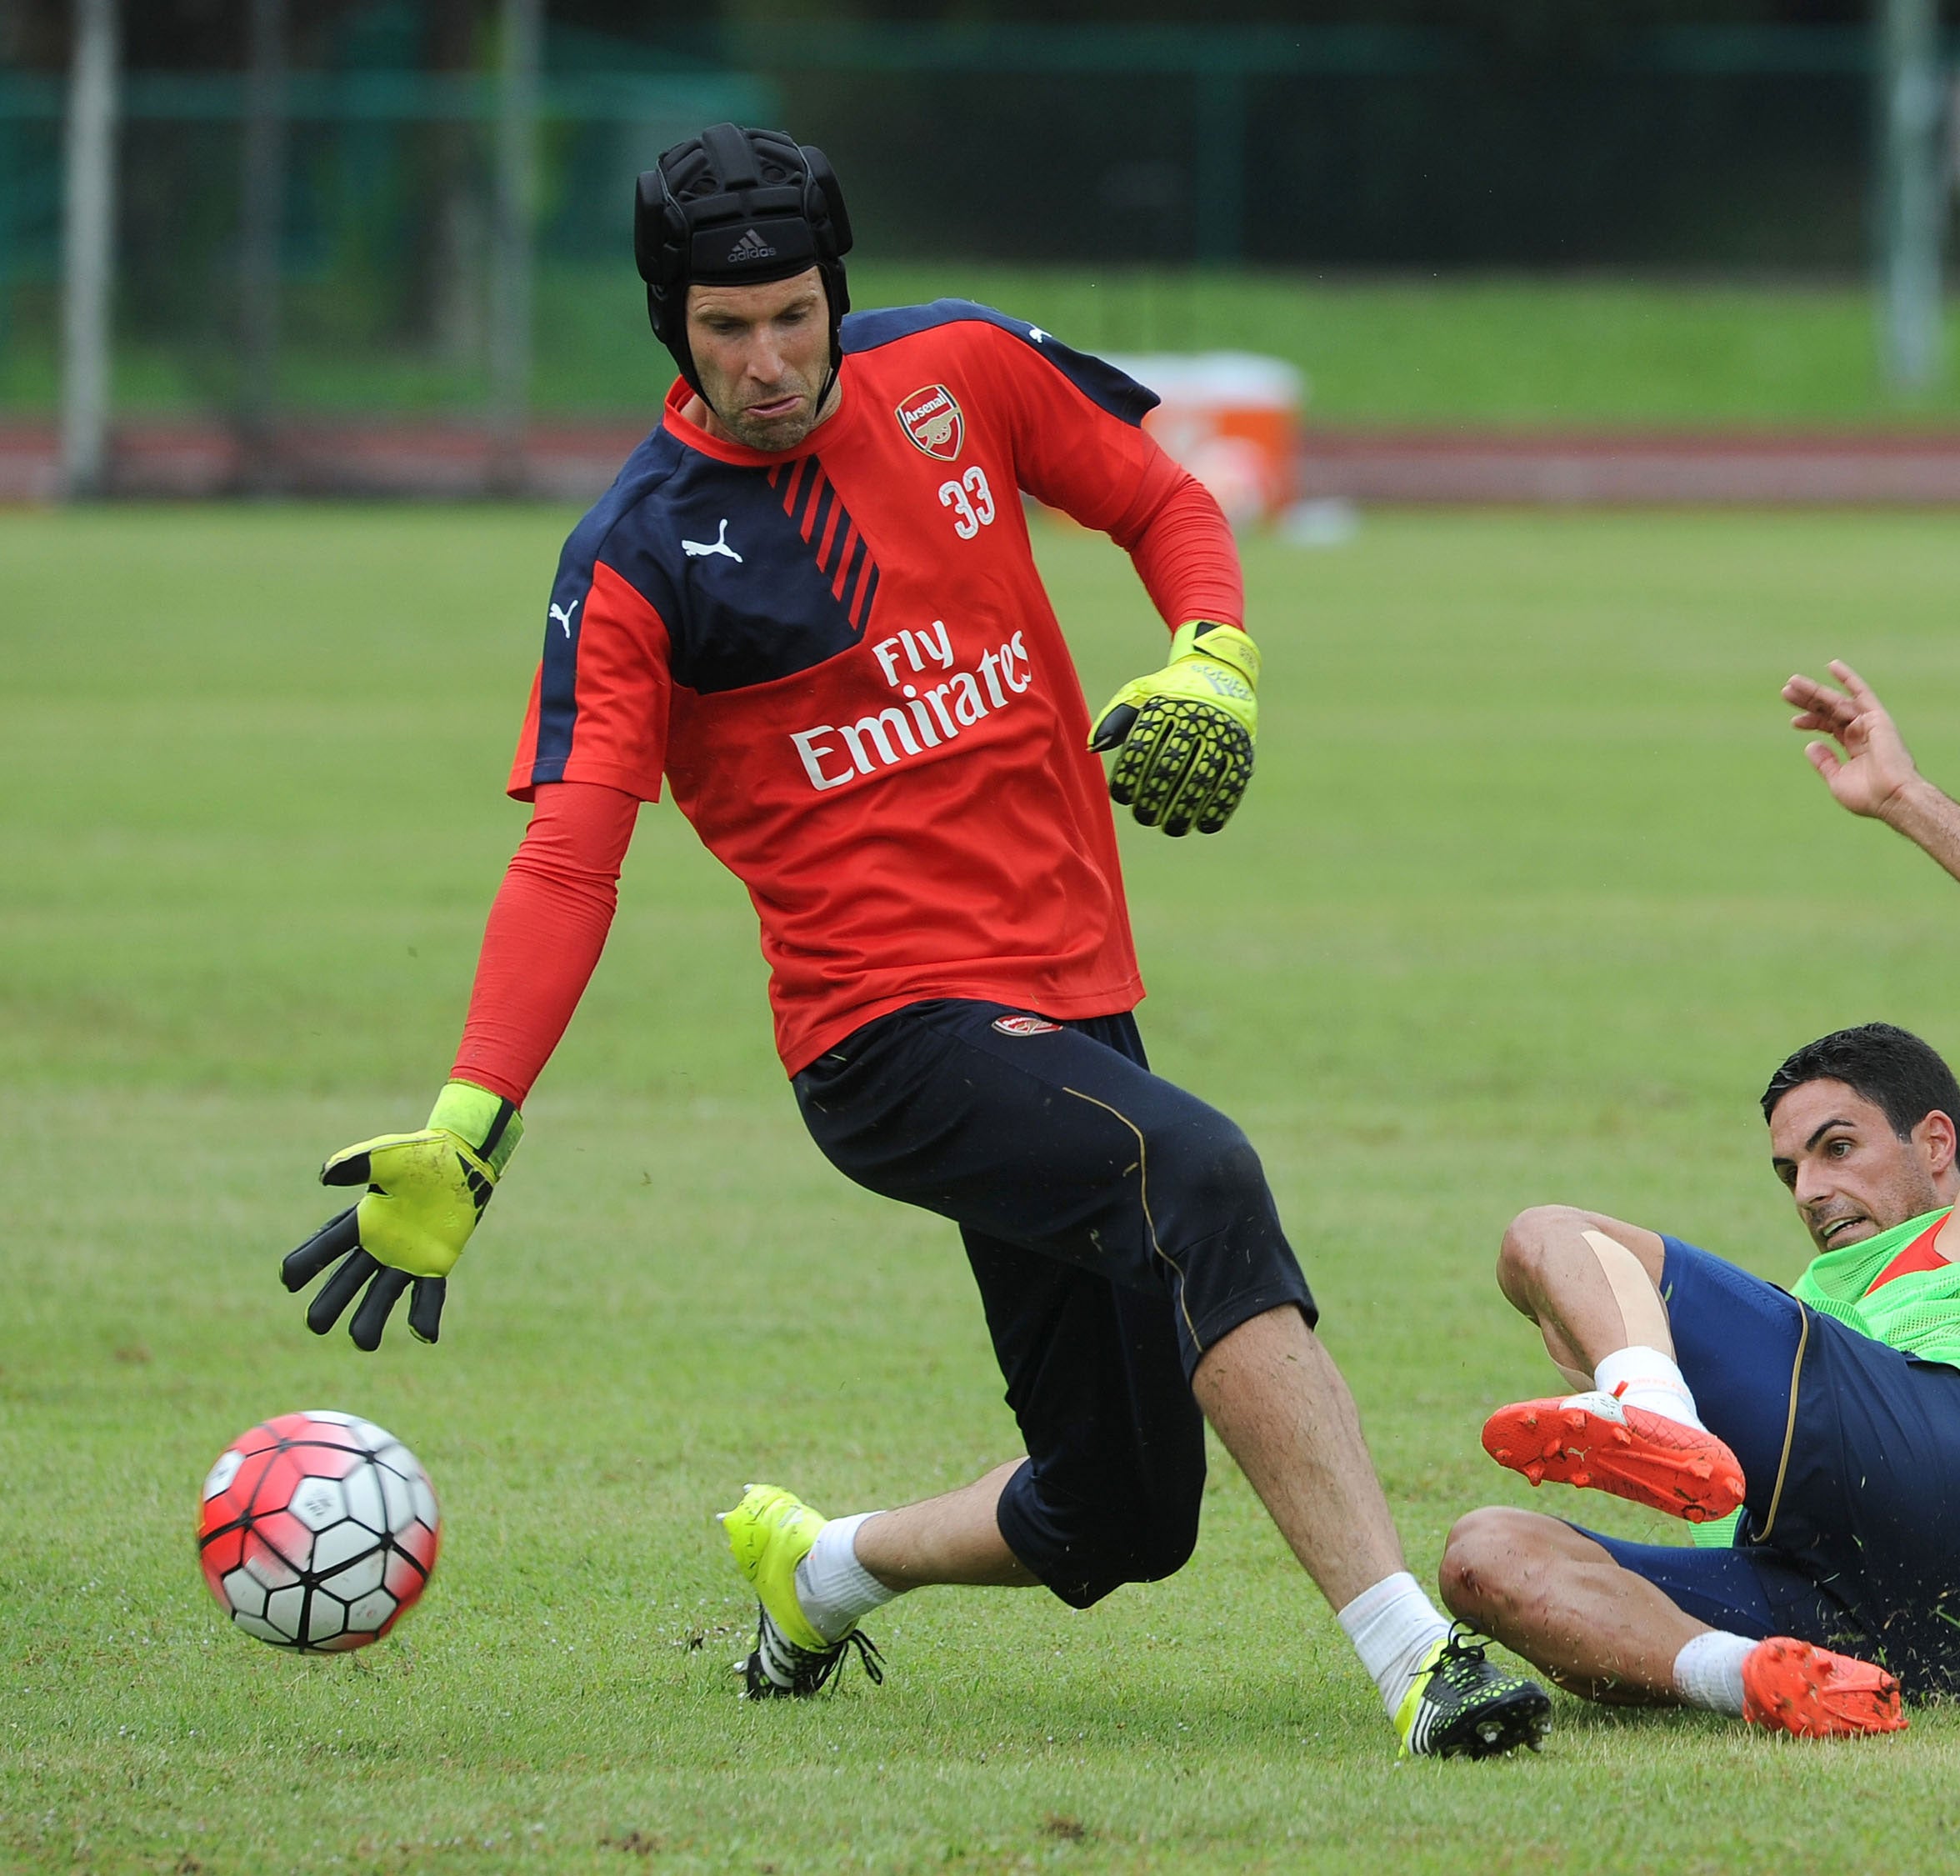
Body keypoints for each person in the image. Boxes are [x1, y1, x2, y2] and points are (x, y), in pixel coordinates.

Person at [277, 123, 1549, 1760]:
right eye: (726, 329)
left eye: (794, 314)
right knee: (1200, 1175)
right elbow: (573, 852)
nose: (768, 360)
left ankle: (822, 1570)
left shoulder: (960, 366)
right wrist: (471, 1116)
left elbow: (1158, 496)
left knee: (1122, 1515)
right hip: (885, 1039)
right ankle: (1416, 1663)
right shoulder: (638, 556)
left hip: (1071, 1003)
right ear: (672, 325)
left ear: (836, 292)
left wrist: (1213, 654)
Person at [1438, 662, 1960, 1738]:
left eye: (1839, 1146)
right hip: (1923, 1638)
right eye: (1791, 1170)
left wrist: (1904, 798)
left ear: (1938, 1141)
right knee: (1485, 1553)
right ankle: (1751, 1678)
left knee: (1546, 1235)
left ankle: (1652, 1412)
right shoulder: (1818, 1322)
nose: (1812, 1188)